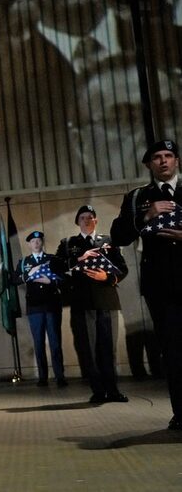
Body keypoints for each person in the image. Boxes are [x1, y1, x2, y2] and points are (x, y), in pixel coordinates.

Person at [111, 139, 182, 430]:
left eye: (169, 155)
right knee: (174, 352)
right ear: (148, 164)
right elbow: (118, 236)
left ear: (177, 160)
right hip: (162, 288)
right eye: (157, 157)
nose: (163, 161)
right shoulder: (138, 196)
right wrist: (146, 215)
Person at [56, 205, 129, 404]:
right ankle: (98, 391)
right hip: (83, 302)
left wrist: (107, 276)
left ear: (96, 220)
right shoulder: (69, 243)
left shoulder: (108, 242)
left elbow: (122, 269)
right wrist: (79, 258)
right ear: (77, 222)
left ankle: (112, 390)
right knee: (89, 349)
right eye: (82, 218)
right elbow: (57, 266)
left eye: (90, 217)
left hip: (106, 300)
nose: (87, 220)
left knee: (108, 348)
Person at [15, 231, 67, 388]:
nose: (36, 243)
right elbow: (14, 279)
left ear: (42, 242)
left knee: (55, 343)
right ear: (29, 244)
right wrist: (28, 274)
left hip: (51, 305)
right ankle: (43, 377)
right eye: (33, 241)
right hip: (34, 307)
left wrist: (50, 281)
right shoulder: (24, 262)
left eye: (38, 240)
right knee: (38, 343)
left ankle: (60, 376)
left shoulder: (52, 259)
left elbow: (63, 278)